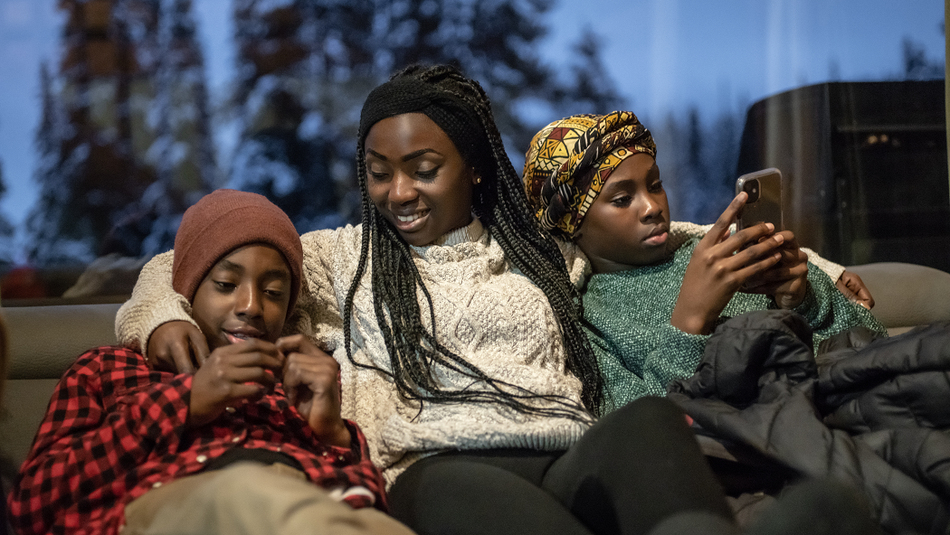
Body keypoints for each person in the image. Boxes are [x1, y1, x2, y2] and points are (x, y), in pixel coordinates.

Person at [114, 67, 877, 535]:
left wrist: (821, 265)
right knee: (458, 485)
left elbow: (676, 232)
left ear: (475, 169)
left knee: (645, 422)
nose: (398, 191)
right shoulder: (345, 258)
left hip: (566, 446)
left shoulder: (540, 250)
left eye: (422, 167)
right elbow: (181, 259)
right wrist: (166, 317)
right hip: (437, 465)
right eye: (379, 170)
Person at [8, 189, 413, 535]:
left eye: (273, 293)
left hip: (307, 505)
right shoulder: (107, 369)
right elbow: (32, 505)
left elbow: (362, 503)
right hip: (174, 504)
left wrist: (333, 436)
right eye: (226, 285)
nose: (252, 306)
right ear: (188, 286)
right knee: (248, 495)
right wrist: (182, 402)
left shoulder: (299, 381)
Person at [522, 111, 888, 412]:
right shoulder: (586, 322)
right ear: (572, 224)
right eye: (622, 199)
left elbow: (872, 341)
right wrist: (690, 322)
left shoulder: (718, 253)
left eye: (655, 184)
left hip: (845, 406)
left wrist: (805, 299)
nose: (652, 208)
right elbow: (637, 431)